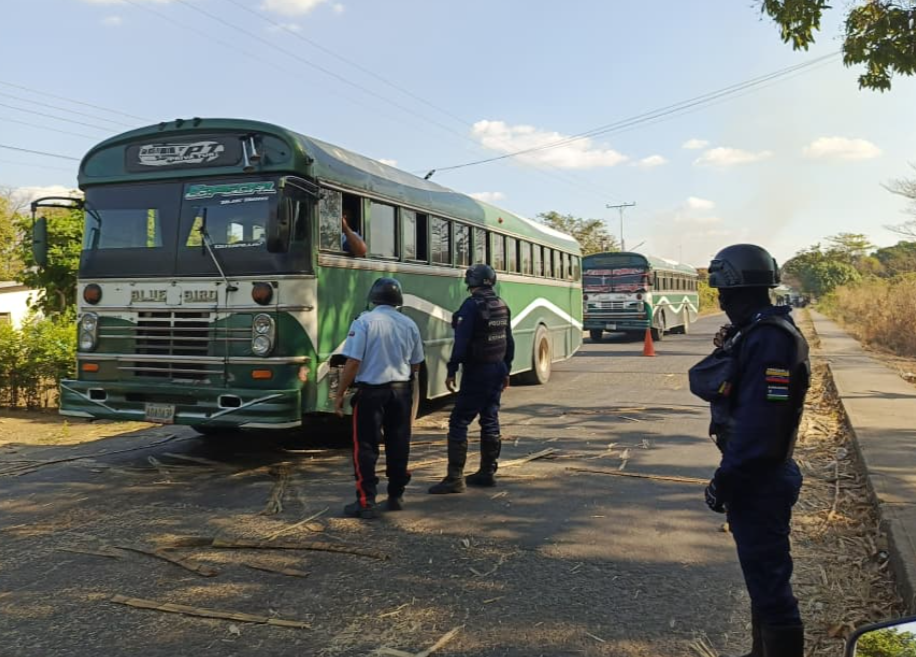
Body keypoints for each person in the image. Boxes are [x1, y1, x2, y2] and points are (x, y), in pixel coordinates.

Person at [688, 244, 810, 657]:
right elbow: (710, 379)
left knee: (771, 584)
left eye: (722, 291)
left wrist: (727, 481)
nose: (719, 300)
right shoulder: (754, 332)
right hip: (757, 471)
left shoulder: (770, 340)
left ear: (736, 291)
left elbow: (761, 428)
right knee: (760, 577)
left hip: (761, 475)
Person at [334, 277, 424, 519]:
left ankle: (366, 501)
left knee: (365, 446)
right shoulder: (409, 324)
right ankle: (396, 495)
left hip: (371, 393)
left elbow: (353, 362)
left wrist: (340, 393)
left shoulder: (364, 322)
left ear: (373, 298)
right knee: (399, 442)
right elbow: (416, 365)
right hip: (401, 391)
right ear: (398, 300)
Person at [429, 263, 514, 494]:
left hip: (478, 371)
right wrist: (506, 369)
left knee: (459, 421)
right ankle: (487, 473)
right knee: (490, 418)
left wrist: (451, 368)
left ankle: (455, 477)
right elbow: (509, 341)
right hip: (497, 368)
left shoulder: (471, 306)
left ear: (470, 282)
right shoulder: (501, 305)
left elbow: (462, 341)